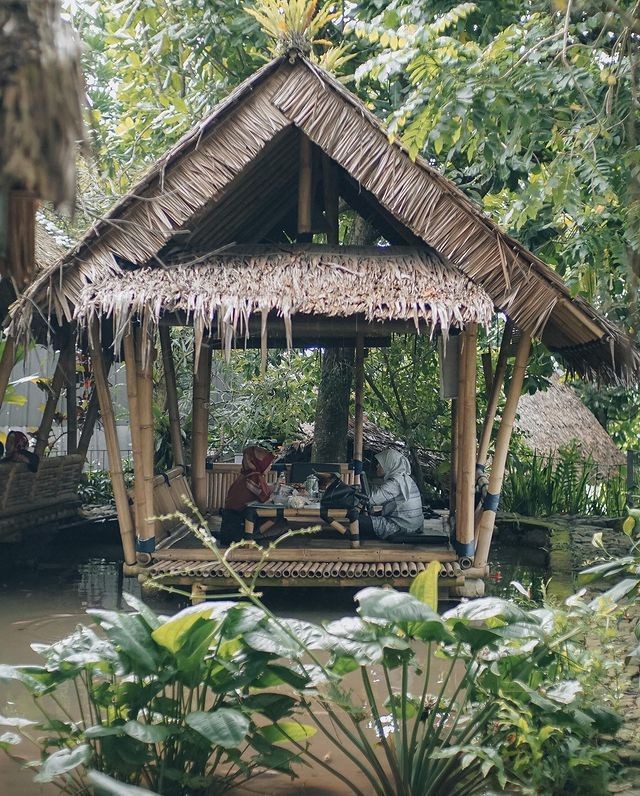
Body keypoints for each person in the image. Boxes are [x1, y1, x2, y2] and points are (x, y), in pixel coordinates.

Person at [359, 448, 423, 540]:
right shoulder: (406, 479)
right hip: (414, 526)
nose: (377, 466)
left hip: (400, 528)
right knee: (367, 518)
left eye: (380, 464)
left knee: (355, 520)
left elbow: (370, 499)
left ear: (389, 464)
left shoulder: (395, 483)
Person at [220, 445, 275, 544]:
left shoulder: (248, 474)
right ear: (261, 464)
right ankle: (250, 537)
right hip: (238, 525)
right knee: (277, 519)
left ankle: (252, 536)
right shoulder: (254, 477)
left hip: (232, 521)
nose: (270, 466)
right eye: (268, 463)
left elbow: (262, 491)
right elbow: (264, 497)